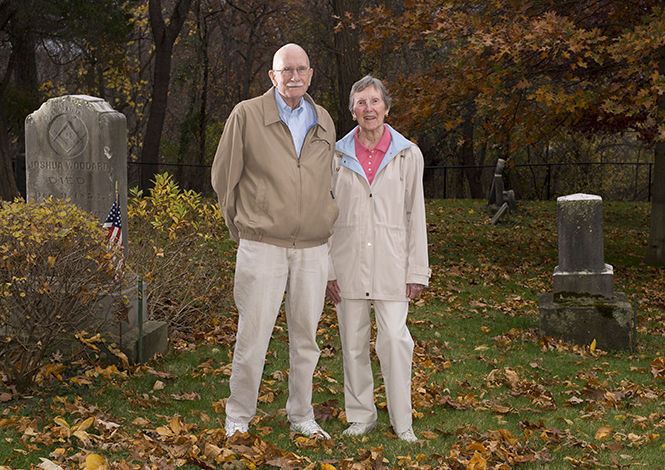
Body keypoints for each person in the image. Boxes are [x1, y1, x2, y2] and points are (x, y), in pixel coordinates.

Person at [211, 43, 338, 439]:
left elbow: (329, 181)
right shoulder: (246, 115)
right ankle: (239, 415)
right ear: (273, 75)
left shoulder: (325, 120)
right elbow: (222, 178)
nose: (294, 76)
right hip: (262, 246)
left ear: (311, 74)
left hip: (313, 249)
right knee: (253, 334)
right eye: (287, 70)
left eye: (301, 69)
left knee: (307, 339)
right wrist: (244, 229)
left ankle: (301, 414)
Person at [326, 75, 430, 443]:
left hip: (392, 264)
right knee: (353, 343)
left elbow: (414, 214)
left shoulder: (407, 154)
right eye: (361, 103)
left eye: (374, 101)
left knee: (395, 341)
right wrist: (328, 270)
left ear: (386, 106)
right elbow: (326, 215)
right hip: (347, 262)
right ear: (352, 110)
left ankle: (403, 422)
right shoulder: (336, 154)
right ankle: (361, 416)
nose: (368, 109)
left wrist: (417, 269)